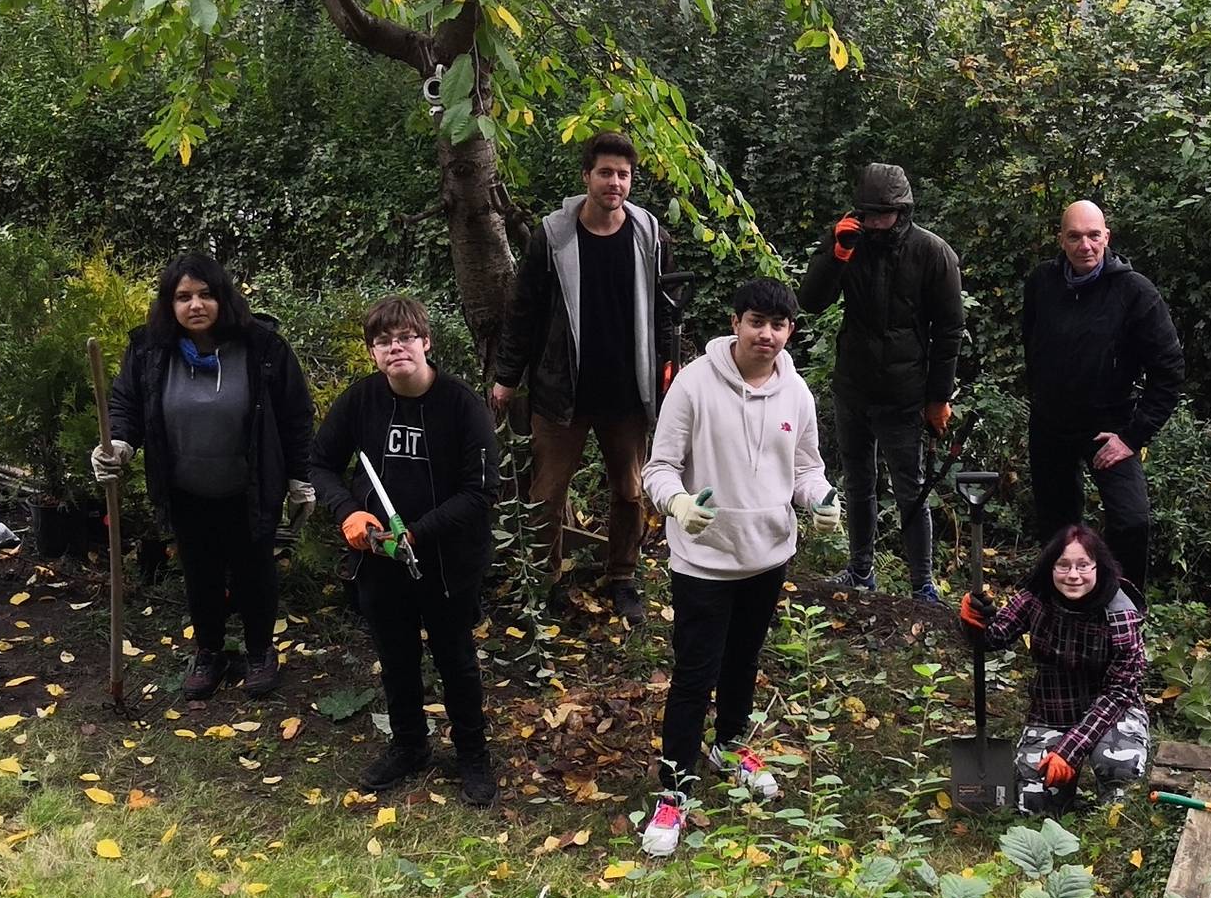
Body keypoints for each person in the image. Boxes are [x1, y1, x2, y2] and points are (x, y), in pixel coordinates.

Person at [638, 279, 842, 856]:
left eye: (778, 326)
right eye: (757, 322)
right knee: (694, 675)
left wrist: (821, 500)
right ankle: (673, 795)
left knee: (744, 662)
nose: (767, 335)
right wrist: (677, 503)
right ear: (736, 322)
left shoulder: (796, 393)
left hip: (767, 555)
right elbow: (660, 467)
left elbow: (806, 470)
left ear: (790, 331)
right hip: (703, 560)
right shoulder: (695, 385)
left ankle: (730, 745)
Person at [92, 254, 316, 702]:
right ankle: (210, 651)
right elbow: (125, 406)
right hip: (186, 487)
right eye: (183, 296)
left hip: (251, 486)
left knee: (255, 569)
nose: (196, 305)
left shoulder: (263, 347)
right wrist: (117, 444)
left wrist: (299, 477)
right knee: (200, 571)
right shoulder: (149, 350)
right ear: (168, 304)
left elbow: (295, 414)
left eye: (206, 294)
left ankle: (258, 652)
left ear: (224, 297)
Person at [311, 297, 501, 806]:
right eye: (382, 341)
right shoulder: (361, 401)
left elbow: (481, 491)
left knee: (456, 661)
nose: (395, 347)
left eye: (405, 337)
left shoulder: (462, 405)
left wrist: (416, 533)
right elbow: (320, 463)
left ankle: (472, 756)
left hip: (446, 563)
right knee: (395, 660)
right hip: (379, 562)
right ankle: (410, 747)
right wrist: (348, 511)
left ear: (426, 343)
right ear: (373, 352)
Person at [490, 132, 683, 625]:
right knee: (547, 492)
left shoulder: (650, 234)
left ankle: (623, 577)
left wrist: (670, 375)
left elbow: (666, 313)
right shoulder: (552, 236)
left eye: (623, 174)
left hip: (627, 393)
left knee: (630, 490)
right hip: (561, 392)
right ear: (586, 177)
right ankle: (546, 582)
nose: (614, 182)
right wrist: (507, 376)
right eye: (605, 172)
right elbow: (523, 312)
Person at [799, 163, 966, 602]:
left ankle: (921, 585)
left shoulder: (932, 252)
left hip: (905, 391)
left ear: (902, 211)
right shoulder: (846, 240)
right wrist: (835, 255)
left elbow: (949, 330)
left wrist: (937, 398)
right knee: (858, 481)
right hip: (853, 383)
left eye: (884, 215)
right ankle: (859, 570)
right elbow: (811, 302)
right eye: (869, 214)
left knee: (910, 488)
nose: (875, 223)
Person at [1018, 201, 1184, 592]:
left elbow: (1169, 370)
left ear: (1107, 237)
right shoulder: (1041, 283)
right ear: (1061, 239)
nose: (1085, 245)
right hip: (1051, 425)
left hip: (1109, 425)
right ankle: (1060, 609)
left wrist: (1132, 436)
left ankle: (1123, 608)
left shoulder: (1134, 291)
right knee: (1058, 527)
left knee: (1131, 520)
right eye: (1074, 236)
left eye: (1094, 236)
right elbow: (1032, 343)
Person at [957, 523, 1153, 815]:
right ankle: (1059, 796)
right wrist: (972, 620)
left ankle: (1114, 806)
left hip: (1111, 713)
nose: (1073, 575)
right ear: (1051, 567)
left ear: (1098, 568)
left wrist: (1068, 751)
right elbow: (992, 638)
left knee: (1118, 765)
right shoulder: (1036, 597)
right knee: (1035, 805)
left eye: (1083, 565)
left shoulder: (1120, 614)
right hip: (1052, 712)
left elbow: (1118, 692)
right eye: (1063, 565)